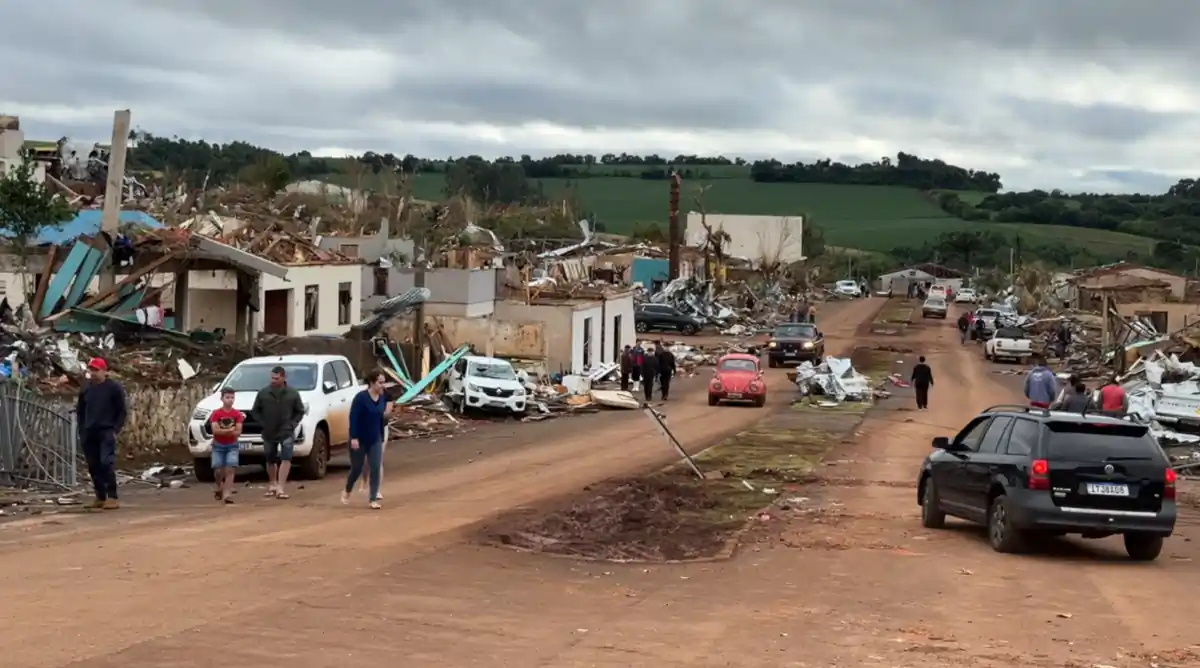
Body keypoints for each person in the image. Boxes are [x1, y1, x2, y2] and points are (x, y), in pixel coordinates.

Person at [76, 358, 127, 510]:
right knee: (93, 465)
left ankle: (112, 496)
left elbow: (121, 411)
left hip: (106, 431)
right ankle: (100, 496)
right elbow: (80, 410)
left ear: (104, 371)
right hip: (89, 432)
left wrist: (115, 429)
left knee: (106, 462)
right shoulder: (86, 388)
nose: (93, 373)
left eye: (96, 370)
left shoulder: (114, 388)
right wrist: (82, 430)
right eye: (91, 370)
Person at [251, 366, 306, 500]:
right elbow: (255, 411)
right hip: (269, 431)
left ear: (283, 377)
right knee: (270, 457)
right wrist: (263, 423)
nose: (274, 380)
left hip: (286, 431)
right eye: (272, 378)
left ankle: (281, 487)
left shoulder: (293, 393)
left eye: (277, 378)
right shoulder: (263, 393)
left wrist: (292, 424)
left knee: (286, 457)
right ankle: (272, 484)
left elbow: (300, 411)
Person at [342, 370, 393, 509]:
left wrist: (381, 436)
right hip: (359, 438)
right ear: (372, 383)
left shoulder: (382, 398)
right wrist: (354, 437)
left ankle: (373, 498)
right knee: (357, 468)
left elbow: (380, 419)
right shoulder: (361, 398)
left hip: (375, 437)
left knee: (375, 467)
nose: (383, 386)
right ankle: (347, 490)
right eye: (380, 382)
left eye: (384, 382)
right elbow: (353, 418)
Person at [209, 387, 244, 504]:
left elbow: (238, 431)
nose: (230, 400)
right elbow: (215, 430)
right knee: (218, 469)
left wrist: (226, 431)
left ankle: (227, 493)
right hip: (218, 445)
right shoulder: (216, 414)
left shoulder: (237, 414)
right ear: (222, 398)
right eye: (227, 397)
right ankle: (219, 486)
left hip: (232, 444)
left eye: (232, 397)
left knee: (230, 469)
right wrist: (229, 430)